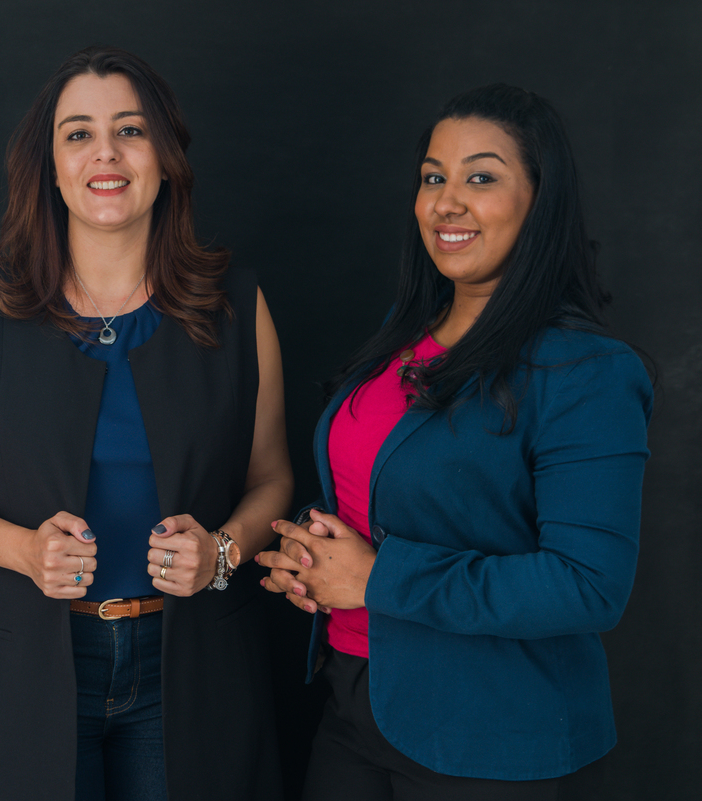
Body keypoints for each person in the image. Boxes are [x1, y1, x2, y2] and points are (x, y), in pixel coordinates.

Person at [0, 46, 293, 801]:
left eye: (131, 131)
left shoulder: (237, 309)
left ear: (166, 159)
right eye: (78, 133)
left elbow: (271, 477)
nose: (105, 153)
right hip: (19, 665)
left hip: (191, 666)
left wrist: (221, 552)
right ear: (50, 167)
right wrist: (23, 551)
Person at [259, 84, 654, 800]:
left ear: (540, 200)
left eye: (481, 178)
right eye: (433, 177)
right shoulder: (404, 336)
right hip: (355, 701)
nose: (447, 202)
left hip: (492, 733)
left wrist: (376, 578)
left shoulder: (587, 371)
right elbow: (395, 491)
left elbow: (588, 585)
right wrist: (314, 554)